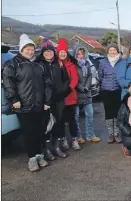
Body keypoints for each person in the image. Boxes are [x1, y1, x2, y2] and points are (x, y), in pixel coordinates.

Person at [2, 34, 52, 172]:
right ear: (21, 49)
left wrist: (47, 101)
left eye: (31, 49)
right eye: (27, 49)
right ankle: (32, 159)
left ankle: (39, 155)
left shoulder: (39, 65)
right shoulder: (13, 64)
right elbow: (8, 83)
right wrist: (14, 99)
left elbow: (47, 84)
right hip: (23, 106)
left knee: (39, 131)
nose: (29, 52)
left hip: (40, 105)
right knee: (29, 133)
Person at [36, 38, 70, 160]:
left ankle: (56, 147)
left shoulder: (59, 63)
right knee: (46, 126)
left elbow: (66, 80)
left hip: (59, 100)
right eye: (46, 52)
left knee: (58, 124)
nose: (48, 53)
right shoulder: (39, 65)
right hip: (46, 101)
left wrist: (64, 92)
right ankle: (47, 150)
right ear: (42, 53)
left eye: (50, 51)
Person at [56, 38, 81, 151]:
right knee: (60, 121)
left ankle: (74, 139)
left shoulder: (71, 65)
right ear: (58, 53)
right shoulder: (55, 65)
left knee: (72, 120)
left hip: (70, 96)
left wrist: (69, 88)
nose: (62, 54)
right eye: (60, 52)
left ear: (67, 53)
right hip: (59, 98)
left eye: (64, 52)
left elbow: (75, 79)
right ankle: (63, 139)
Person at [74, 46, 101, 144]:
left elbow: (90, 75)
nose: (81, 56)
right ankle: (78, 136)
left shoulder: (87, 63)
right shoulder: (74, 65)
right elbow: (73, 78)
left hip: (87, 92)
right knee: (76, 116)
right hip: (77, 93)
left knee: (90, 114)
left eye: (82, 54)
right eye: (78, 54)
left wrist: (86, 86)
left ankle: (90, 135)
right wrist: (81, 87)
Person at [98, 43, 123, 143]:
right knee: (108, 113)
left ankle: (116, 133)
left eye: (114, 50)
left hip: (117, 90)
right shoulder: (103, 62)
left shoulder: (121, 62)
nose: (112, 52)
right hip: (106, 91)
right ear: (108, 51)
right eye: (110, 50)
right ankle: (110, 134)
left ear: (117, 51)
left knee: (117, 112)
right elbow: (100, 76)